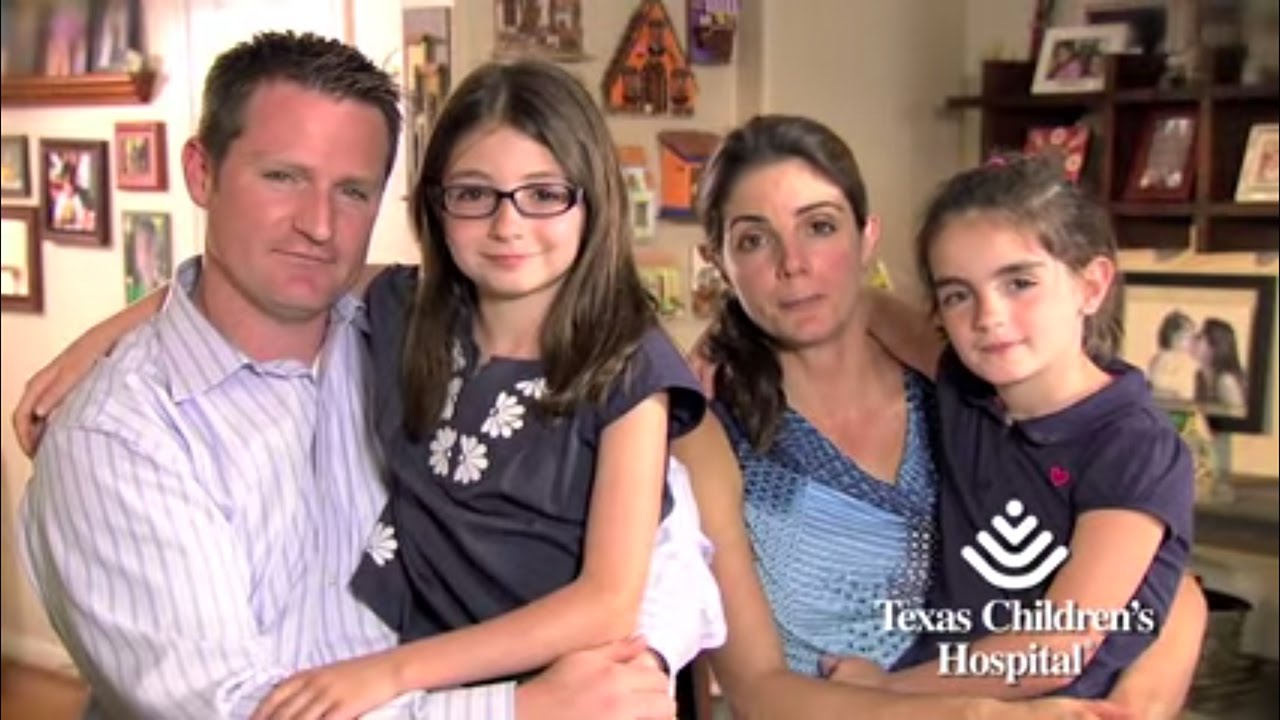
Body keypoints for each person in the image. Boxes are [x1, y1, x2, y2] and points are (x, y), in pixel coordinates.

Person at [15, 32, 721, 720]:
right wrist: (522, 708)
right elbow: (230, 709)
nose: (318, 225)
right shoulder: (121, 434)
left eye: (352, 191)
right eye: (283, 176)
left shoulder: (389, 326)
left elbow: (663, 531)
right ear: (203, 174)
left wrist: (635, 664)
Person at [672, 115, 1205, 718]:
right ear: (717, 259)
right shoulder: (711, 426)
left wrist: (1133, 703)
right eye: (753, 240)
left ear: (866, 237)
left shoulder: (961, 388)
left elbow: (1162, 592)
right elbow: (758, 689)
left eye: (820, 228)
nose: (794, 264)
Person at [253, 58, 713, 718]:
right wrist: (116, 334)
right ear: (437, 204)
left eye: (544, 193)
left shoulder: (628, 365)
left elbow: (607, 602)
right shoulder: (406, 308)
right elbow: (271, 281)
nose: (508, 225)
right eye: (474, 194)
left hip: (562, 695)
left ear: (593, 199)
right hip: (430, 695)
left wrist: (390, 673)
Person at [853, 154, 1193, 699]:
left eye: (1019, 282)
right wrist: (723, 343)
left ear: (1092, 285)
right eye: (958, 294)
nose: (988, 316)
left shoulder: (1134, 445)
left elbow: (1056, 649)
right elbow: (864, 304)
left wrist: (880, 694)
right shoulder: (964, 386)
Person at [1194, 317, 1247, 410]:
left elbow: (1237, 420)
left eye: (1199, 337)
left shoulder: (1226, 381)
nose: (1193, 340)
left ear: (1214, 346)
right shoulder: (1200, 376)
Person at [1147, 309, 1198, 402]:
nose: (1192, 341)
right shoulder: (1165, 357)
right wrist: (1177, 393)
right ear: (1174, 337)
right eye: (1188, 336)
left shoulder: (1181, 358)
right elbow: (1156, 383)